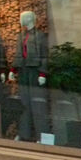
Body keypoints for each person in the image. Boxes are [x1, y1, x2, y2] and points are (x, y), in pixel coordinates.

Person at [8, 11, 49, 142]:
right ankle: (23, 133)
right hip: (23, 71)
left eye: (23, 17)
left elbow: (44, 56)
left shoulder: (40, 36)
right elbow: (19, 54)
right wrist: (13, 70)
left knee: (38, 104)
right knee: (24, 104)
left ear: (29, 19)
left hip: (35, 71)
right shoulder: (21, 36)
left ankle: (41, 135)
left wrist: (42, 73)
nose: (21, 19)